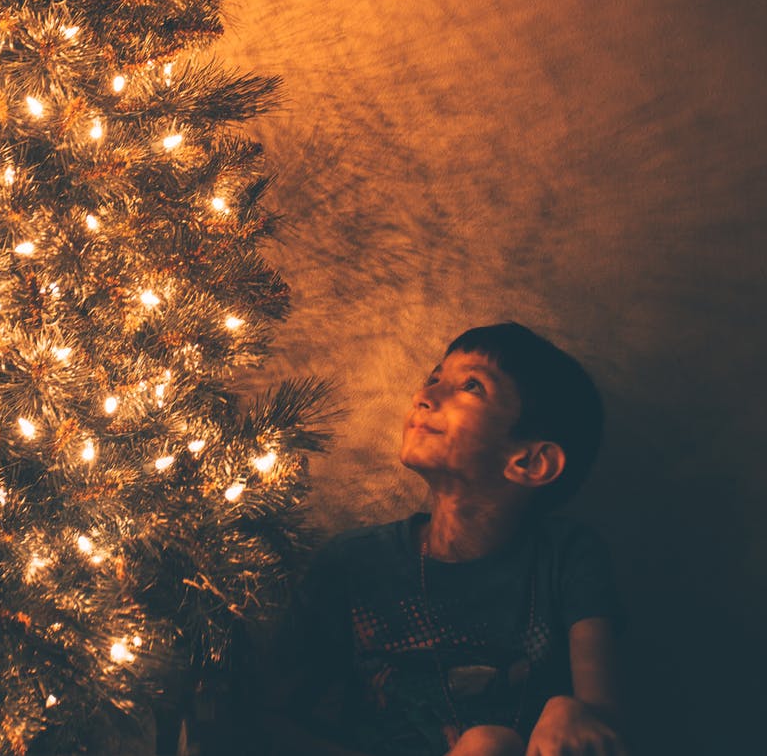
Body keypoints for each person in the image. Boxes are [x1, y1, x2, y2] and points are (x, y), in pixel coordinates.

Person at [259, 323, 628, 756]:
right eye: (433, 378)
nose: (424, 395)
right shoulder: (354, 561)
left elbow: (607, 722)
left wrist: (570, 711)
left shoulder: (567, 557)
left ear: (529, 460)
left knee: (491, 745)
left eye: (471, 386)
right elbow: (270, 721)